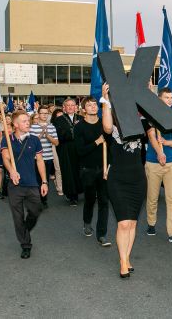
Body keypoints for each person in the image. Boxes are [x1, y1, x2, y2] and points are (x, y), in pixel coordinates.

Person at [101, 83, 146, 278]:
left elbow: (154, 114)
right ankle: (122, 261)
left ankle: (127, 257)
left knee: (133, 223)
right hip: (118, 178)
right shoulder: (115, 125)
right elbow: (107, 127)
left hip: (137, 178)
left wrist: (148, 94)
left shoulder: (140, 123)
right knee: (123, 223)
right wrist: (105, 100)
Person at [1, 110, 49, 259]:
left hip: (32, 183)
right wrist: (11, 172)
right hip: (15, 185)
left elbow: (40, 161)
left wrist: (44, 181)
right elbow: (6, 159)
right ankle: (26, 245)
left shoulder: (34, 139)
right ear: (15, 124)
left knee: (36, 210)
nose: (28, 123)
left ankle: (25, 230)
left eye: (28, 120)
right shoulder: (7, 140)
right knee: (18, 216)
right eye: (24, 121)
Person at [144, 88, 172, 244]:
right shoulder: (151, 115)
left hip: (171, 163)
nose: (169, 100)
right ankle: (151, 223)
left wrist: (167, 143)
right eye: (166, 97)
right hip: (153, 163)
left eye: (171, 97)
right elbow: (151, 136)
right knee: (152, 197)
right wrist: (159, 152)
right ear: (159, 99)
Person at [74, 97, 111, 247]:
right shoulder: (79, 127)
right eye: (89, 105)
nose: (93, 107)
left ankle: (101, 234)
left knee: (104, 201)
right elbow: (80, 151)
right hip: (87, 169)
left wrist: (110, 165)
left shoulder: (104, 124)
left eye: (95, 104)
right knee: (90, 199)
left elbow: (111, 146)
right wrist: (97, 142)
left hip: (103, 168)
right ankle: (87, 223)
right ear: (84, 110)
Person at [52, 98, 83, 206]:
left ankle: (80, 191)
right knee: (68, 172)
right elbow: (60, 135)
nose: (70, 107)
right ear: (64, 108)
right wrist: (73, 131)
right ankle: (72, 195)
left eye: (72, 105)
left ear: (76, 107)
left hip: (79, 148)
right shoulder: (58, 120)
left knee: (79, 170)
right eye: (68, 105)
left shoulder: (81, 118)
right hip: (66, 149)